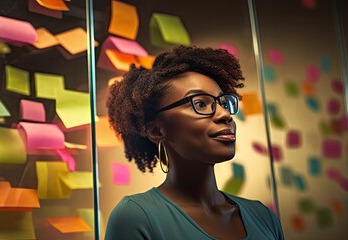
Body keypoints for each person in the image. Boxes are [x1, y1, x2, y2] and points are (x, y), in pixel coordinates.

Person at [104, 46, 284, 240]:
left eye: (223, 103)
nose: (225, 115)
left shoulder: (263, 216)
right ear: (157, 131)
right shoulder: (135, 218)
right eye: (199, 104)